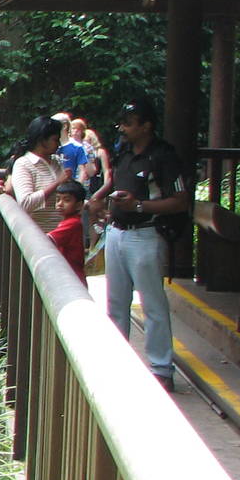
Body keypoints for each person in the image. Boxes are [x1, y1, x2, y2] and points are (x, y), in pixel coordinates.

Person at [88, 97, 191, 392]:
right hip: (117, 232)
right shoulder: (123, 152)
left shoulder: (163, 156)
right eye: (121, 123)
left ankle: (161, 369)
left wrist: (139, 206)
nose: (122, 128)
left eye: (129, 124)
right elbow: (116, 184)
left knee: (152, 304)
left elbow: (181, 201)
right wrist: (99, 200)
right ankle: (117, 364)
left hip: (146, 234)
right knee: (116, 303)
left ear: (146, 126)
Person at [4, 115, 68, 231]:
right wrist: (57, 183)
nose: (59, 144)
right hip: (39, 235)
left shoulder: (56, 162)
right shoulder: (23, 164)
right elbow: (25, 203)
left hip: (62, 234)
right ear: (42, 140)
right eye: (55, 140)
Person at [47, 180, 88, 283]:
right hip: (68, 273)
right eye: (58, 199)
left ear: (79, 205)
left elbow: (48, 239)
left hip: (73, 276)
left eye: (67, 200)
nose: (60, 204)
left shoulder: (73, 223)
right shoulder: (68, 221)